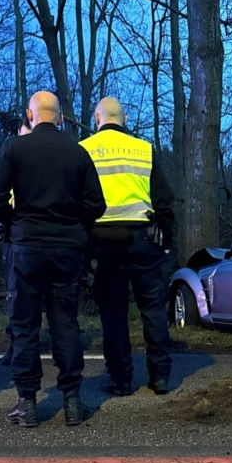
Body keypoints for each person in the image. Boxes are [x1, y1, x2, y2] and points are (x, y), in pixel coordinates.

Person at [0, 91, 106, 427]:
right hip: (67, 249)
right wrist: (74, 225)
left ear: (30, 114)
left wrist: (13, 225)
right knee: (65, 323)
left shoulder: (14, 147)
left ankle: (27, 404)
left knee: (24, 325)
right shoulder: (78, 153)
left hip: (26, 248)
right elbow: (97, 205)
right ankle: (72, 403)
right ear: (61, 118)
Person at [80, 97, 176, 396]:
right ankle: (159, 377)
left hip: (102, 242)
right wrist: (168, 239)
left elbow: (78, 201)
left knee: (113, 314)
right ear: (125, 118)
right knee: (153, 310)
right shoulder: (144, 149)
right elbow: (163, 200)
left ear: (97, 117)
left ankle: (120, 379)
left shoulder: (84, 149)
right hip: (142, 238)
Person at [0, 113, 33, 366]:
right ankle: (15, 345)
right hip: (15, 237)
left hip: (38, 235)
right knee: (15, 296)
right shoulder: (11, 158)